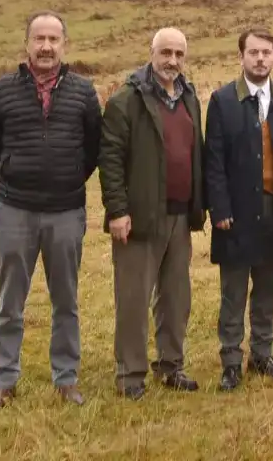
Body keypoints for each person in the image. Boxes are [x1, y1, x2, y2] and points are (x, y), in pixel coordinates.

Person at [0, 10, 101, 410]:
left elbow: (93, 150)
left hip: (66, 212)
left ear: (65, 45)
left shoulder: (84, 92)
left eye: (54, 40)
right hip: (16, 212)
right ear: (27, 44)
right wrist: (13, 181)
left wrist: (66, 180)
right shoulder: (2, 92)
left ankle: (65, 378)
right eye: (39, 39)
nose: (46, 47)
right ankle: (4, 379)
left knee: (66, 300)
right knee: (10, 300)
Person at [98, 27, 205, 399]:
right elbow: (109, 159)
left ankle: (171, 366)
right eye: (165, 53)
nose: (172, 61)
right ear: (151, 53)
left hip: (179, 216)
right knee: (133, 298)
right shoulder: (126, 100)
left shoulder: (189, 97)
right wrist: (117, 210)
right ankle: (130, 375)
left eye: (179, 54)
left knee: (176, 297)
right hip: (139, 218)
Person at [206, 27, 273, 391]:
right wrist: (219, 208)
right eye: (253, 53)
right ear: (241, 57)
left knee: (267, 288)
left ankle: (261, 355)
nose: (260, 59)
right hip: (235, 213)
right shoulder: (222, 101)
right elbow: (214, 161)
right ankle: (231, 360)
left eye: (266, 53)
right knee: (233, 291)